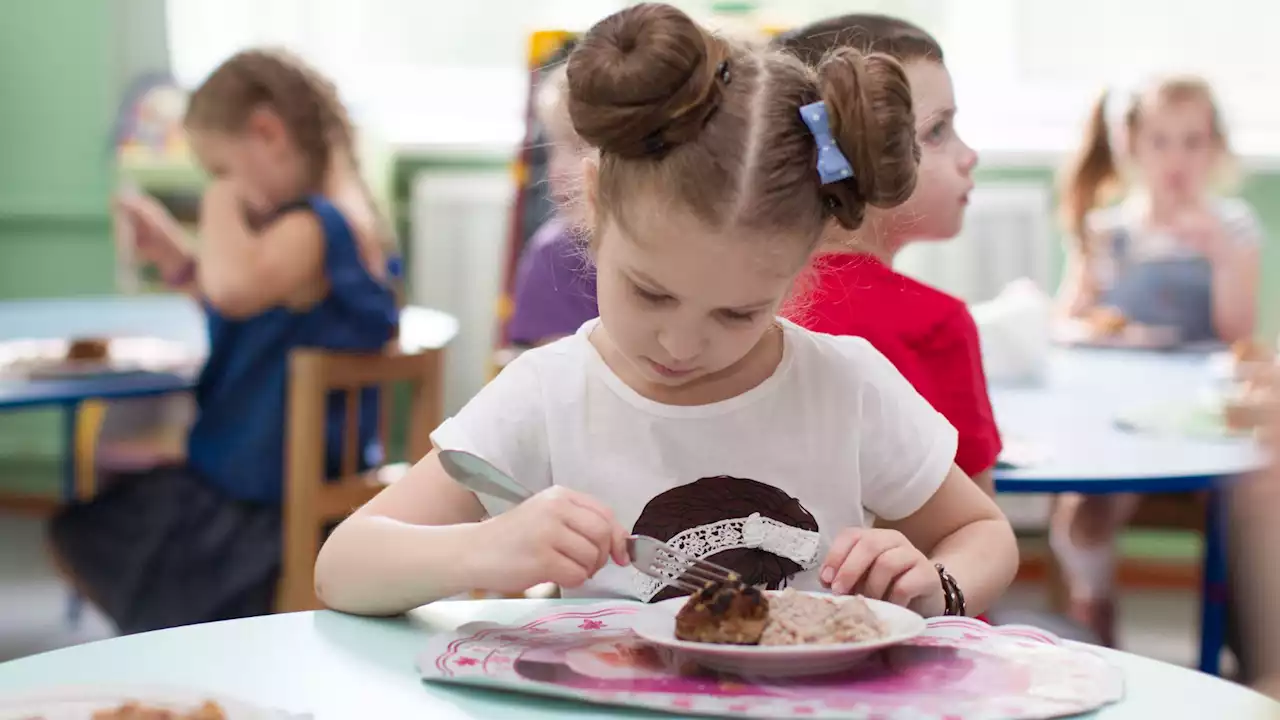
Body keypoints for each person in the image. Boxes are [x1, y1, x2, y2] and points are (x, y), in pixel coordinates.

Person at [314, 2, 1017, 618]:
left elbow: (985, 535)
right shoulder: (549, 392)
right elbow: (342, 567)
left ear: (805, 266)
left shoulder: (845, 386)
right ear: (594, 204)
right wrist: (482, 550)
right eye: (650, 293)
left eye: (737, 313)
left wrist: (934, 586)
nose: (681, 344)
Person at [48, 49, 399, 634]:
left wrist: (218, 200)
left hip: (262, 514)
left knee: (87, 529)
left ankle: (182, 648)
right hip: (265, 490)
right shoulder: (324, 223)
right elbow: (252, 308)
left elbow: (235, 290)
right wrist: (180, 263)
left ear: (267, 132)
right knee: (97, 522)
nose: (220, 188)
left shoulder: (315, 226)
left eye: (219, 168)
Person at [1050, 76, 1263, 646]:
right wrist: (1097, 324)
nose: (1177, 159)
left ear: (1214, 150)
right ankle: (1094, 614)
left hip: (1203, 414)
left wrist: (1221, 254)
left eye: (1193, 143)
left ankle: (1240, 640)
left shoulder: (1235, 226)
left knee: (1244, 510)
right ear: (1133, 149)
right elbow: (1065, 324)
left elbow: (1237, 332)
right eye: (1162, 142)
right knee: (1083, 510)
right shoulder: (1109, 232)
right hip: (1122, 413)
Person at [772, 15, 997, 497]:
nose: (969, 154)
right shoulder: (937, 325)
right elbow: (978, 527)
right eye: (938, 132)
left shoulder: (745, 301)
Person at [506, 63, 600, 348]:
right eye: (552, 149)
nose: (556, 169)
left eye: (577, 147)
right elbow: (563, 383)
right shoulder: (554, 257)